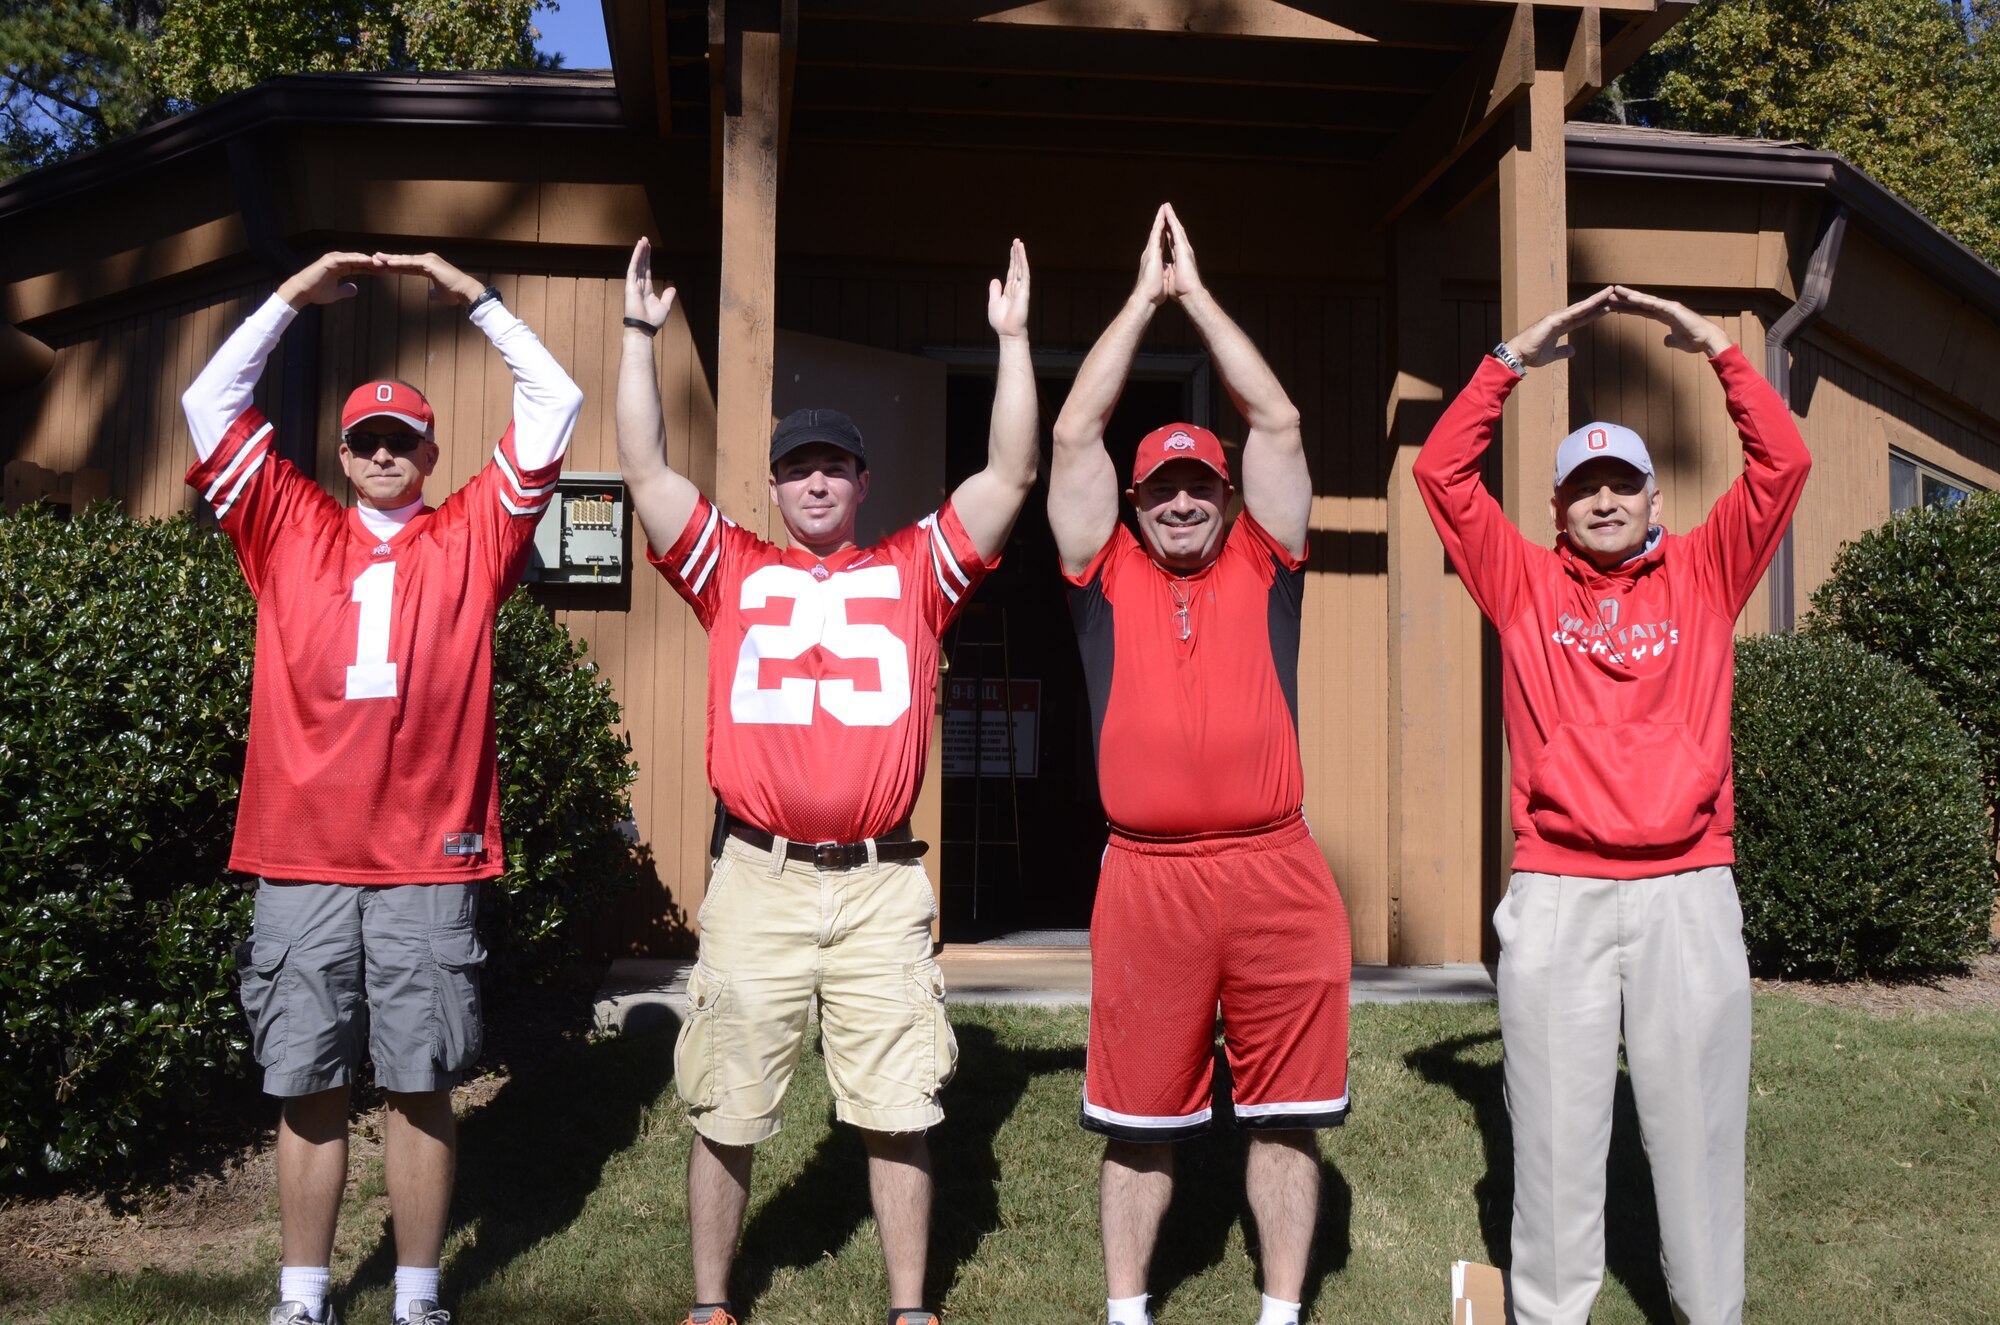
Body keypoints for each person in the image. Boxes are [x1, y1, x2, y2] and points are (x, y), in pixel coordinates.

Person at [614, 235, 1037, 1325]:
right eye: (797, 464)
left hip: (877, 884)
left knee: (898, 1103)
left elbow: (1006, 477)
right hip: (756, 876)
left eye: (833, 465)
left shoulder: (911, 575)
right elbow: (649, 474)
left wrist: (1012, 343)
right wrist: (634, 340)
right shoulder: (730, 569)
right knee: (727, 1103)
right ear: (772, 482)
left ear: (860, 482)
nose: (814, 478)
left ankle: (908, 1308)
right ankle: (711, 1303)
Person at [182, 251, 584, 1325]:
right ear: (342, 450)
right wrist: (286, 299)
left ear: (428, 453)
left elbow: (556, 399)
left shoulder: (472, 535)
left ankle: (415, 1292)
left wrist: (479, 303)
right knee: (306, 1081)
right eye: (366, 438)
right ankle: (303, 1292)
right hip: (300, 849)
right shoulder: (285, 523)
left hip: (426, 854)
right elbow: (206, 399)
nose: (383, 454)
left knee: (419, 1079)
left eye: (402, 440)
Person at [1413, 286, 1812, 1325]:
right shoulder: (1520, 583)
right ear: (1554, 508)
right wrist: (1509, 355)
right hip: (1556, 893)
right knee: (1549, 1142)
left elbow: (1783, 465)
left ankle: (1707, 1311)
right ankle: (1546, 1313)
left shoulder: (1706, 571)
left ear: (1651, 500)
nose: (1601, 501)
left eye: (1619, 484)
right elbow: (1439, 472)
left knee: (1695, 1136)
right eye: (1581, 486)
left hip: (1687, 888)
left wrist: (1719, 352)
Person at [1048, 204, 1353, 1325]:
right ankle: (1126, 1309)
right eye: (1159, 489)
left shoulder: (1267, 560)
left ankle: (1280, 1310)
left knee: (1286, 1113)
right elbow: (1075, 438)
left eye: (1199, 485)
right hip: (1146, 878)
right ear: (1134, 506)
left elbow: (1273, 414)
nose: (1180, 500)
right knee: (1137, 1118)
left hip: (1275, 871)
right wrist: (1139, 300)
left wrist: (1197, 292)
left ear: (1227, 497)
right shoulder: (1104, 570)